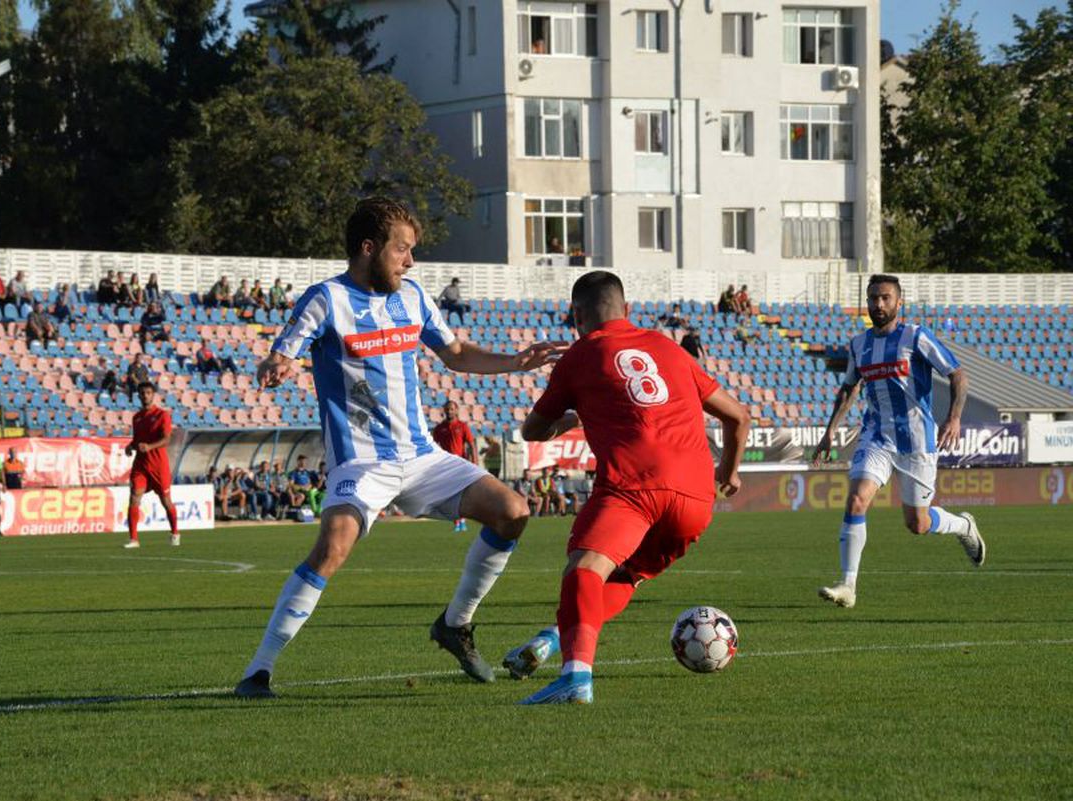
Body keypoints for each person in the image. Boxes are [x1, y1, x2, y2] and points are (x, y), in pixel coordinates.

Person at [234, 197, 560, 699]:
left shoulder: (412, 297)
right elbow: (286, 350)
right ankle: (259, 671)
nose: (410, 261)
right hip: (362, 462)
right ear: (369, 248)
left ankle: (455, 624)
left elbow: (456, 354)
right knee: (332, 547)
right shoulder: (326, 299)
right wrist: (278, 364)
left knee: (513, 512)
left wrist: (515, 361)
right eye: (402, 249)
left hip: (421, 456)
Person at [502, 270, 751, 704]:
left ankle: (576, 678)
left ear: (576, 316)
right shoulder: (668, 347)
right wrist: (729, 473)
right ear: (628, 310)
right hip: (695, 497)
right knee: (625, 576)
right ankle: (553, 638)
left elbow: (532, 430)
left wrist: (571, 417)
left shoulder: (579, 356)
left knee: (583, 570)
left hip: (634, 486)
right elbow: (738, 417)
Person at [810, 274, 985, 609]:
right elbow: (849, 388)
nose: (878, 304)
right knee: (857, 500)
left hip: (916, 440)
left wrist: (954, 417)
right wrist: (830, 431)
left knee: (917, 524)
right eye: (873, 298)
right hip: (876, 435)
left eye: (885, 298)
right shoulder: (859, 344)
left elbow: (958, 374)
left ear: (898, 302)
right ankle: (848, 586)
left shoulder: (915, 336)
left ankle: (963, 525)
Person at [123, 381, 179, 548]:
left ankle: (175, 533)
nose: (145, 396)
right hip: (141, 465)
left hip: (158, 466)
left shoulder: (162, 415)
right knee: (134, 497)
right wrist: (130, 446)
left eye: (148, 393)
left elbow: (167, 439)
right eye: (142, 393)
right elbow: (138, 440)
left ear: (153, 395)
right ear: (138, 396)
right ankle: (134, 539)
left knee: (166, 501)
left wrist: (150, 447)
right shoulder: (137, 417)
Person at [432, 399, 477, 531]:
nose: (449, 411)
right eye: (447, 409)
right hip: (446, 466)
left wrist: (474, 462)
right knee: (450, 494)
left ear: (456, 410)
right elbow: (434, 447)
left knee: (461, 493)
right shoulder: (440, 428)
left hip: (461, 465)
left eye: (452, 409)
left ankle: (461, 520)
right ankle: (458, 521)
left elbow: (471, 444)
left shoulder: (462, 426)